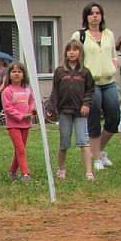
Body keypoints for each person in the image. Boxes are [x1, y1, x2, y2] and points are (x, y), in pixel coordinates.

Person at [72, 3, 120, 171]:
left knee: (114, 117)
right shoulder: (80, 35)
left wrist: (114, 67)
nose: (95, 16)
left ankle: (97, 151)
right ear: (86, 17)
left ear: (101, 16)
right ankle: (97, 158)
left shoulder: (109, 34)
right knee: (93, 120)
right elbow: (73, 57)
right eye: (91, 13)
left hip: (109, 82)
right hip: (90, 84)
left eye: (98, 13)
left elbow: (113, 54)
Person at [47, 42, 95, 181]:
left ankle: (89, 172)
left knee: (83, 141)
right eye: (69, 50)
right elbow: (55, 91)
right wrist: (51, 107)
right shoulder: (60, 71)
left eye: (75, 50)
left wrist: (86, 104)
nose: (72, 53)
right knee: (64, 142)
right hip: (64, 111)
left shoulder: (85, 72)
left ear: (80, 53)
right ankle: (61, 169)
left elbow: (90, 90)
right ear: (65, 53)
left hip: (80, 112)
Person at [1, 61, 35, 182]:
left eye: (19, 72)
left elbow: (31, 102)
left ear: (23, 75)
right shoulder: (7, 91)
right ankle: (25, 173)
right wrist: (21, 116)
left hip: (26, 125)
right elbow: (8, 108)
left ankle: (12, 172)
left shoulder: (27, 90)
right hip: (13, 125)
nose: (16, 74)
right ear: (9, 75)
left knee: (20, 149)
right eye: (14, 71)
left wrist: (31, 110)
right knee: (20, 148)